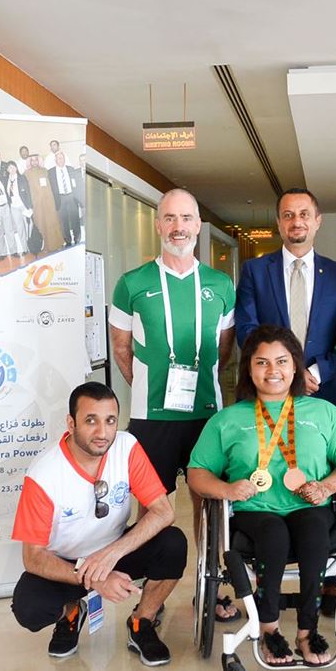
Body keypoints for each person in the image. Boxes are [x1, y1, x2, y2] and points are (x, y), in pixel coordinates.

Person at [187, 325, 336, 665]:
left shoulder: (323, 412)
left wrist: (327, 486)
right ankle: (269, 628)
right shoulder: (228, 420)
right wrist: (226, 489)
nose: (273, 371)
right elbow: (197, 473)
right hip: (254, 510)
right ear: (249, 369)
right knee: (273, 535)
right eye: (262, 363)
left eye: (282, 361)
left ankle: (307, 630)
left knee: (314, 532)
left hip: (310, 503)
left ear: (296, 366)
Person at [109, 188, 238, 621]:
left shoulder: (221, 285)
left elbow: (224, 349)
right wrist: (147, 386)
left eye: (186, 218)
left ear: (198, 226)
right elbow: (121, 348)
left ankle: (213, 585)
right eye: (169, 218)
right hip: (151, 418)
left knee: (210, 503)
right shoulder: (132, 282)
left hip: (206, 416)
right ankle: (153, 595)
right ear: (158, 224)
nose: (178, 227)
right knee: (154, 509)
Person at [10, 383, 187, 666]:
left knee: (173, 543)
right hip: (67, 563)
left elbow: (163, 512)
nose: (102, 432)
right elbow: (33, 557)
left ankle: (142, 621)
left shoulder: (126, 447)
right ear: (71, 423)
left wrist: (112, 555)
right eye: (90, 420)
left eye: (110, 420)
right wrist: (96, 576)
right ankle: (70, 614)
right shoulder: (43, 475)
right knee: (29, 609)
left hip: (114, 549)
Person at [235, 187, 336, 411]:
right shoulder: (254, 271)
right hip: (266, 389)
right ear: (279, 222)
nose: (296, 221)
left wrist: (313, 373)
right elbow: (246, 329)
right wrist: (284, 371)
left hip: (322, 390)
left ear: (317, 220)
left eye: (304, 214)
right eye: (288, 215)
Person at [25, 154, 64, 252]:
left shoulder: (45, 171)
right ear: (30, 162)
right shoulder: (26, 173)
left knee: (52, 222)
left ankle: (57, 244)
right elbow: (26, 191)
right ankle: (44, 247)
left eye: (36, 160)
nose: (34, 162)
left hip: (49, 201)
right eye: (32, 160)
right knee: (41, 223)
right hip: (37, 203)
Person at [49, 152, 85, 247]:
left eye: (62, 158)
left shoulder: (71, 169)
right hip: (60, 199)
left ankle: (77, 238)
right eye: (59, 158)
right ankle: (67, 240)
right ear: (55, 160)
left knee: (75, 219)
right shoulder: (51, 172)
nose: (61, 160)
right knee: (63, 221)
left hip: (71, 197)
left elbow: (77, 185)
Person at [4, 160, 34, 255]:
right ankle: (25, 248)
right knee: (20, 228)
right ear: (7, 170)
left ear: (16, 168)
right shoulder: (6, 180)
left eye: (13, 167)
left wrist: (30, 206)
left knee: (29, 226)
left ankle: (31, 245)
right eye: (9, 168)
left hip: (23, 205)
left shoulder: (22, 178)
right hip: (14, 207)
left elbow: (28, 192)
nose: (11, 169)